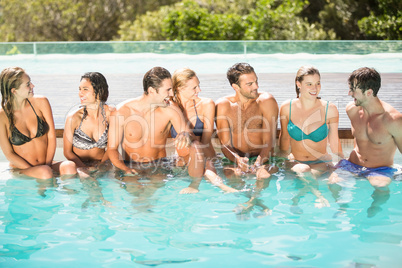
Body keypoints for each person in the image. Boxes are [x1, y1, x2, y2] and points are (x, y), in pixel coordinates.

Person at [107, 66, 204, 180]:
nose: (172, 94)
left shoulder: (170, 109)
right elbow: (112, 149)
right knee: (136, 193)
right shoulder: (121, 112)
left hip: (159, 166)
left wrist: (185, 134)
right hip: (129, 165)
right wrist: (125, 169)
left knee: (154, 193)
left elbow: (188, 134)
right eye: (168, 90)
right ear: (152, 91)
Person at [279, 65, 343, 208]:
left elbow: (335, 143)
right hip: (296, 163)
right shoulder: (286, 107)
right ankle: (319, 196)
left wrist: (340, 166)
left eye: (318, 83)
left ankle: (300, 200)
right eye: (309, 84)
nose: (315, 88)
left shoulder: (329, 109)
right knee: (303, 170)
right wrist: (281, 159)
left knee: (334, 183)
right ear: (298, 84)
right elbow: (283, 139)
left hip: (321, 163)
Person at [0, 67, 77, 179]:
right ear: (14, 91)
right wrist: (35, 170)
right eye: (27, 84)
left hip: (46, 165)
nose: (32, 86)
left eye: (30, 82)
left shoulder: (41, 102)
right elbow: (9, 153)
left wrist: (47, 165)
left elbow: (51, 137)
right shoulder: (2, 116)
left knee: (69, 166)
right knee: (44, 172)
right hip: (23, 170)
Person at [333, 67, 402, 188]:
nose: (349, 93)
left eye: (353, 90)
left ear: (369, 92)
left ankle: (374, 208)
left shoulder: (393, 120)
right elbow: (359, 138)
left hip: (380, 170)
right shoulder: (352, 110)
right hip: (352, 164)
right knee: (332, 183)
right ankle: (342, 207)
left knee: (380, 187)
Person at [171, 68, 237, 193]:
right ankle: (223, 188)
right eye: (194, 88)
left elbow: (205, 141)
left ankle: (214, 186)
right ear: (180, 89)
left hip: (206, 154)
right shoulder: (171, 107)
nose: (199, 90)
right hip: (184, 160)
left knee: (205, 161)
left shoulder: (206, 104)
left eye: (198, 86)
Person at [216, 62, 279, 179]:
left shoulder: (266, 101)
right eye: (250, 84)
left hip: (263, 158)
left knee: (263, 176)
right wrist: (238, 160)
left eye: (256, 81)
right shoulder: (224, 106)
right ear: (236, 87)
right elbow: (225, 145)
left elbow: (269, 142)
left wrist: (258, 164)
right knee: (233, 176)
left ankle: (256, 197)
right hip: (235, 158)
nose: (256, 87)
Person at [63, 72, 113, 175]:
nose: (80, 93)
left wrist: (100, 168)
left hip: (102, 164)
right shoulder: (74, 117)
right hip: (79, 166)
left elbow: (112, 148)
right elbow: (67, 152)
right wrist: (84, 169)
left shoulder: (110, 115)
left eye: (85, 89)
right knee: (88, 181)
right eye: (79, 89)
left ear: (99, 91)